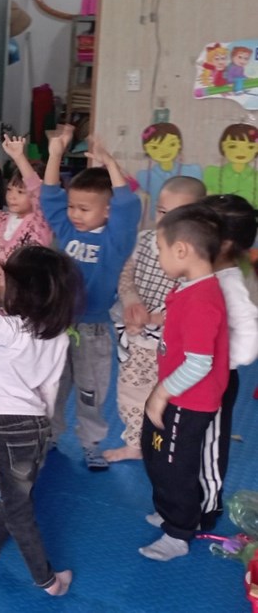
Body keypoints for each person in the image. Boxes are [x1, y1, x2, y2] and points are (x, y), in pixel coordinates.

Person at [0, 247, 83, 597]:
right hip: (37, 425)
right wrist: (45, 427)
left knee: (17, 507)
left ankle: (47, 581)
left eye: (7, 282)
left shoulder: (11, 329)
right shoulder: (58, 334)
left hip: (9, 428)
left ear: (21, 291)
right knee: (14, 494)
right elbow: (51, 387)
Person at [40, 127, 140, 470]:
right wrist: (55, 154)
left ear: (107, 211)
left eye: (84, 209)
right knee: (53, 386)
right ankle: (50, 436)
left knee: (90, 391)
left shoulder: (116, 240)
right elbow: (49, 196)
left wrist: (109, 162)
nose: (74, 214)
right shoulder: (66, 230)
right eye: (72, 206)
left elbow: (128, 204)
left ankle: (91, 443)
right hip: (57, 324)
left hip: (94, 330)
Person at [140, 205, 229, 561]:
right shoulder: (190, 287)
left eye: (160, 249)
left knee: (175, 466)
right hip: (175, 394)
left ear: (181, 250)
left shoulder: (202, 299)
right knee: (156, 452)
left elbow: (199, 363)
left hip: (188, 401)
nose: (158, 256)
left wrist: (161, 393)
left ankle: (178, 532)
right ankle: (169, 510)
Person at [105, 176, 206, 464]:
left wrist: (151, 318)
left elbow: (190, 304)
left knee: (170, 397)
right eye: (162, 211)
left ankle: (165, 446)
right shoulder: (144, 240)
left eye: (178, 214)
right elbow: (126, 275)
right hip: (136, 338)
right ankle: (135, 443)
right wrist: (131, 301)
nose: (167, 220)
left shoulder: (197, 256)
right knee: (131, 393)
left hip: (172, 344)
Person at [198, 194, 258, 529]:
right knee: (191, 439)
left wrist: (220, 361)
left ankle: (207, 507)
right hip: (193, 374)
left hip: (216, 379)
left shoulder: (232, 283)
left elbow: (248, 342)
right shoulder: (204, 272)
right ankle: (184, 499)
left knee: (209, 444)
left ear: (224, 244)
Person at [0, 135, 53, 262]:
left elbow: (37, 190)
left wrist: (19, 157)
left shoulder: (40, 221)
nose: (12, 196)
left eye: (20, 192)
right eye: (9, 189)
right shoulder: (3, 220)